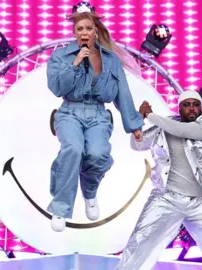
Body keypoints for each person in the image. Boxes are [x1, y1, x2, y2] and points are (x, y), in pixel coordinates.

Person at [115, 91, 202, 270]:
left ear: (201, 107)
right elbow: (138, 144)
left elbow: (190, 132)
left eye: (195, 104)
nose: (192, 108)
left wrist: (151, 115)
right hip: (167, 199)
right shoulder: (163, 126)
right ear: (179, 107)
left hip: (201, 201)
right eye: (186, 104)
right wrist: (139, 120)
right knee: (140, 242)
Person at [46, 2, 143, 232]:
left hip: (98, 113)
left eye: (88, 28)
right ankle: (60, 208)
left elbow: (123, 93)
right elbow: (57, 88)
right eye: (79, 29)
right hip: (70, 111)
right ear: (74, 32)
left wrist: (134, 124)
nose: (84, 33)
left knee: (98, 154)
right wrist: (76, 62)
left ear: (95, 30)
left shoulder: (110, 60)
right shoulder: (61, 56)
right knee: (73, 149)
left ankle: (89, 192)